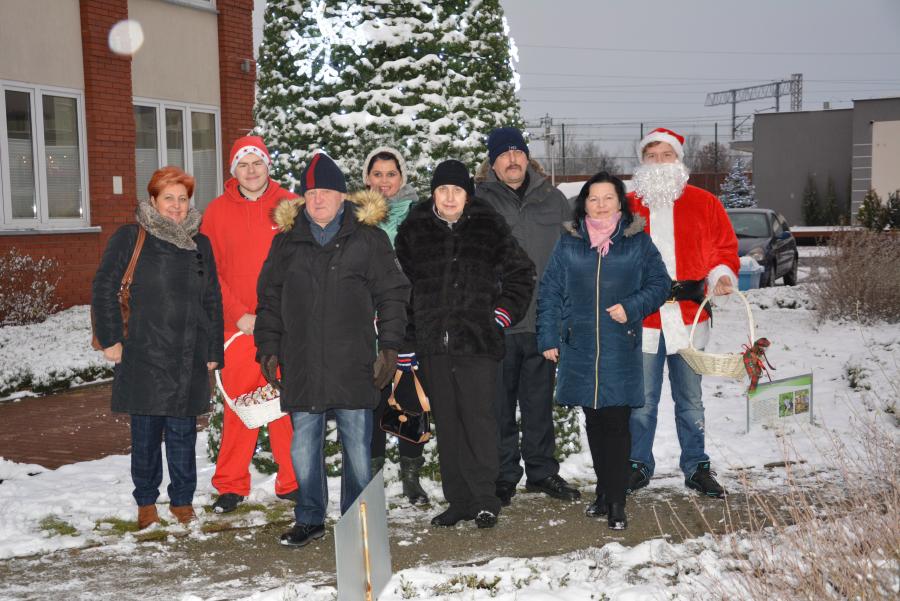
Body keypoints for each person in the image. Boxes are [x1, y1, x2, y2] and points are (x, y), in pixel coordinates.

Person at [254, 152, 410, 547]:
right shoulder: (287, 242)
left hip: (353, 363)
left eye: (325, 192)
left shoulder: (368, 239)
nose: (317, 199)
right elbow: (269, 299)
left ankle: (356, 521)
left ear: (343, 196)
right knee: (304, 446)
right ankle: (309, 518)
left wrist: (389, 347)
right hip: (302, 362)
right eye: (310, 193)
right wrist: (268, 348)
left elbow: (393, 294)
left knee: (357, 446)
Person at [395, 160, 535, 529]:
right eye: (443, 190)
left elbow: (522, 274)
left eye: (457, 190)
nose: (450, 197)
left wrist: (501, 315)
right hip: (432, 346)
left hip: (477, 344)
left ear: (468, 194)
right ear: (433, 193)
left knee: (478, 421)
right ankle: (458, 500)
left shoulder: (488, 226)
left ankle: (485, 499)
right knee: (448, 424)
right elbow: (402, 292)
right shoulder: (413, 231)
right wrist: (408, 339)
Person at [92, 166, 224, 529]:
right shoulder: (131, 236)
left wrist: (213, 349)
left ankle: (182, 501)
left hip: (187, 353)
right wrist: (110, 339)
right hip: (143, 351)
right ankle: (146, 501)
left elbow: (211, 298)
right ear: (153, 200)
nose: (177, 206)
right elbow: (104, 287)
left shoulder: (201, 244)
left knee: (183, 433)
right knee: (146, 433)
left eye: (183, 199)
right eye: (169, 198)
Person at [536, 172, 670, 530]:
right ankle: (603, 490)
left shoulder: (636, 241)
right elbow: (549, 291)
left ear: (620, 202)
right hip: (579, 347)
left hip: (619, 346)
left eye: (607, 198)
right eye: (593, 198)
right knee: (594, 422)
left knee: (616, 422)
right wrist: (548, 337)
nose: (600, 205)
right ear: (584, 203)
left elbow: (660, 284)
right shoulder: (570, 242)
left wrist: (632, 306)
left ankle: (617, 501)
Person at [627, 128, 740, 498]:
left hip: (691, 318)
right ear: (642, 162)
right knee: (641, 401)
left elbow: (723, 248)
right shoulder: (626, 206)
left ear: (679, 160)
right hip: (643, 320)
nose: (659, 163)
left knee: (690, 399)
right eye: (652, 156)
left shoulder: (705, 203)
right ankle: (637, 464)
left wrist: (721, 275)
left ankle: (696, 466)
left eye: (666, 155)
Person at [475, 127, 580, 506]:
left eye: (517, 152)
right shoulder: (478, 202)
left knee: (538, 404)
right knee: (499, 406)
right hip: (497, 324)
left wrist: (565, 315)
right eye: (503, 155)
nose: (512, 160)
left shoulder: (554, 201)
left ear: (527, 156)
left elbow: (573, 257)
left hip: (541, 320)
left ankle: (541, 472)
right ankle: (504, 476)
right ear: (492, 162)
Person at [201, 136, 299, 514]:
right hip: (236, 327)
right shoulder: (216, 211)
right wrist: (238, 315)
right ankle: (230, 485)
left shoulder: (290, 205)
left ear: (268, 164)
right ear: (233, 170)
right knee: (239, 407)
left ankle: (292, 480)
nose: (251, 170)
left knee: (284, 404)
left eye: (257, 162)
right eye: (243, 164)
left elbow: (301, 265)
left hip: (281, 324)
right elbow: (210, 272)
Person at [351, 146, 428, 505]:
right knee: (372, 398)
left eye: (391, 174)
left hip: (408, 319)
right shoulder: (353, 217)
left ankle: (412, 477)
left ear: (402, 178)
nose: (384, 181)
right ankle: (373, 479)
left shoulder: (419, 215)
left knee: (409, 399)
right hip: (364, 322)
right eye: (377, 174)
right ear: (367, 178)